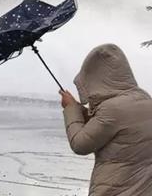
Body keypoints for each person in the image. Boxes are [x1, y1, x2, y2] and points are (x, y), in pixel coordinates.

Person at [59, 43, 152, 196]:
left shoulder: (112, 109)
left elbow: (80, 144)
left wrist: (71, 109)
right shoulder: (144, 98)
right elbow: (114, 129)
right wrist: (80, 110)